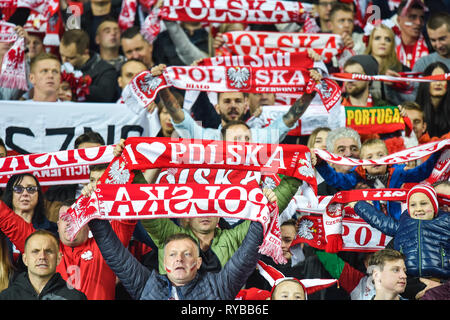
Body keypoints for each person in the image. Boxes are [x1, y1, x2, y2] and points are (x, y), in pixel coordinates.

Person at [86, 185, 276, 299]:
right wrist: (92, 211)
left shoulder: (218, 287)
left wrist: (263, 209)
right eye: (173, 254)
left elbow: (247, 255)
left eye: (187, 254)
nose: (179, 260)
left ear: (198, 262)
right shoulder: (147, 284)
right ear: (165, 262)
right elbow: (115, 255)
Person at [150, 63, 321, 144]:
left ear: (246, 105)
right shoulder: (205, 137)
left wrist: (312, 90)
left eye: (238, 101)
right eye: (227, 101)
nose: (233, 105)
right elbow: (178, 114)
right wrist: (162, 86)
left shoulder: (261, 137)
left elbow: (291, 117)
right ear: (217, 107)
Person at [315, 138, 442, 220]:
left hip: (397, 223)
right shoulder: (356, 177)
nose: (376, 160)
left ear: (389, 159)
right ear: (363, 164)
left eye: (380, 155)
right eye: (370, 157)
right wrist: (321, 164)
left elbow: (422, 172)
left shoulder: (398, 173)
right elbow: (335, 179)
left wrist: (437, 152)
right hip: (370, 226)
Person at [354, 183, 450, 281]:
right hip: (408, 281)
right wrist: (359, 205)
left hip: (441, 281)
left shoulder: (446, 222)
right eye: (413, 205)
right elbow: (380, 220)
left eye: (423, 203)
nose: (418, 209)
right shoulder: (402, 225)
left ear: (434, 206)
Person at [0, 230, 87, 300]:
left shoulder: (76, 298)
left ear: (58, 259)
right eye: (35, 251)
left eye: (48, 251)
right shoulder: (6, 297)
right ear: (25, 259)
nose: (42, 256)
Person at [59, 29, 118, 102]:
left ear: (85, 52)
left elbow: (104, 96)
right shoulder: (57, 66)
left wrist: (74, 86)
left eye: (70, 58)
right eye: (62, 55)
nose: (64, 61)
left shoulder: (107, 71)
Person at [364, 24, 411, 105]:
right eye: (377, 38)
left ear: (393, 44)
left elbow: (409, 102)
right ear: (370, 42)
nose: (383, 42)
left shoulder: (404, 71)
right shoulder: (360, 67)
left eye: (388, 39)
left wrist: (393, 86)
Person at [415, 61, 450, 138]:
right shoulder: (415, 111)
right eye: (434, 79)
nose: (438, 83)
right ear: (426, 83)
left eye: (442, 79)